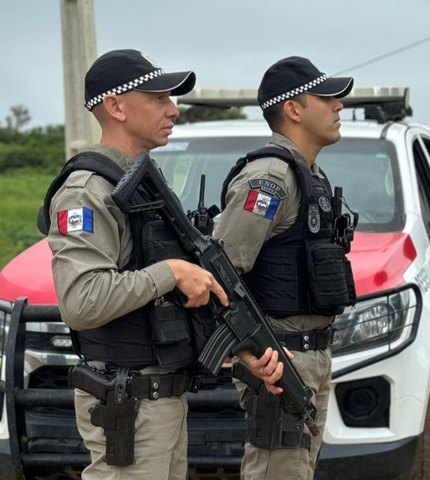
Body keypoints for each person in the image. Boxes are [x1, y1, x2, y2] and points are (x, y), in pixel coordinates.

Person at [42, 49, 284, 480]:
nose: (173, 109)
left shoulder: (142, 186)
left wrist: (241, 351)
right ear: (116, 106)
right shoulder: (87, 192)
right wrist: (171, 272)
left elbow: (170, 305)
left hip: (161, 402)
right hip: (129, 405)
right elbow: (81, 301)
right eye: (158, 98)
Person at [214, 56, 357, 480]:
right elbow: (219, 273)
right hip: (280, 360)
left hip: (310, 355)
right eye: (326, 98)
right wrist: (248, 350)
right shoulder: (270, 178)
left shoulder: (309, 174)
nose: (338, 106)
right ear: (293, 109)